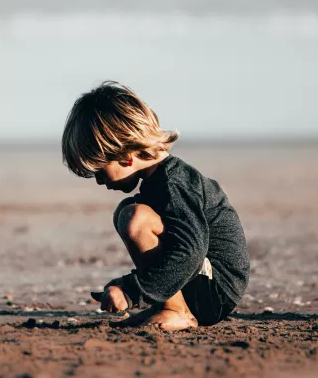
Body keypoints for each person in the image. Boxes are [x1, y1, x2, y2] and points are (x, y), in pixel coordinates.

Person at [61, 81, 249, 331]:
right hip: (201, 280)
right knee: (127, 211)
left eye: (99, 170)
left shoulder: (174, 183)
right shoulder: (157, 182)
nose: (98, 180)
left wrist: (132, 289)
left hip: (216, 290)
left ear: (125, 157)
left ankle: (176, 310)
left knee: (135, 218)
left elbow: (191, 250)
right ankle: (169, 305)